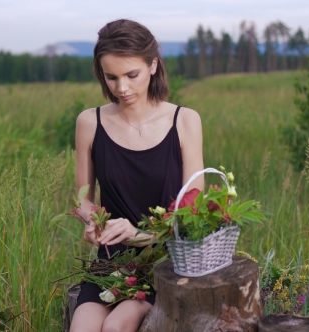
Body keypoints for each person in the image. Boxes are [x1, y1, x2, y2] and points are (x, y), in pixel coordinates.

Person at [70, 19, 204, 332]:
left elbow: (192, 213)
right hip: (111, 260)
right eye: (111, 77)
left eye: (132, 75)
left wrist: (140, 236)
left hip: (168, 260)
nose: (122, 88)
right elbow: (83, 199)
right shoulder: (90, 122)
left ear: (153, 65)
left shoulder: (184, 120)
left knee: (116, 326)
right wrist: (94, 222)